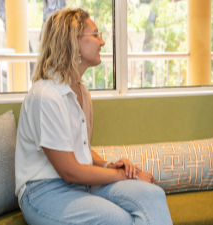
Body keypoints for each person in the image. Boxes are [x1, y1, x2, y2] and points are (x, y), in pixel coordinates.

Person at [14, 8, 172, 225]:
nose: (102, 42)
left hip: (81, 185)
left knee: (152, 195)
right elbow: (69, 171)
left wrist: (110, 165)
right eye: (96, 35)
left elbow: (82, 149)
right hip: (44, 192)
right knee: (120, 220)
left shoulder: (82, 92)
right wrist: (126, 176)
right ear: (74, 42)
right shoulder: (45, 96)